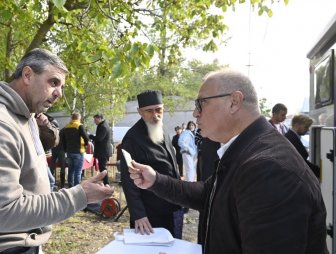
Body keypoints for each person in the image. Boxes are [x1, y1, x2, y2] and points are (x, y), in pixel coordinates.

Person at [128, 69, 328, 254]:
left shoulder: (269, 168)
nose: (195, 113)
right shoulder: (246, 150)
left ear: (234, 102)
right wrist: (155, 180)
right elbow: (209, 194)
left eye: (201, 104)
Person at [0, 48, 114, 253]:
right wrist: (79, 196)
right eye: (53, 82)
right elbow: (7, 213)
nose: (59, 93)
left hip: (22, 241)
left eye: (62, 86)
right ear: (27, 75)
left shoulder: (25, 116)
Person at [120, 90, 183, 239]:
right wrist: (138, 215)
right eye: (149, 111)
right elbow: (128, 181)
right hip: (149, 213)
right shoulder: (132, 139)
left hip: (172, 205)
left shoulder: (163, 128)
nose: (155, 115)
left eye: (158, 110)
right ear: (140, 112)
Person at [285, 114, 320, 178]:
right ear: (297, 125)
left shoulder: (291, 136)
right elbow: (301, 161)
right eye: (306, 127)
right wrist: (320, 171)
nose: (308, 130)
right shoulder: (290, 138)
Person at [61, 112, 90, 187]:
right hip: (78, 151)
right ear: (79, 118)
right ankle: (77, 188)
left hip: (69, 151)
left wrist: (65, 149)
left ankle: (70, 186)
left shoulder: (66, 126)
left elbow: (63, 140)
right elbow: (86, 137)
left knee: (71, 171)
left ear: (72, 118)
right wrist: (86, 144)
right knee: (78, 172)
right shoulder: (79, 126)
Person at [89, 114, 112, 185]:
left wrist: (90, 136)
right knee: (102, 168)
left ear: (100, 118)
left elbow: (99, 138)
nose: (94, 121)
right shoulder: (103, 125)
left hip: (103, 151)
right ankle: (105, 182)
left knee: (103, 168)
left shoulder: (103, 126)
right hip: (103, 151)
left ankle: (106, 183)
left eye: (95, 120)